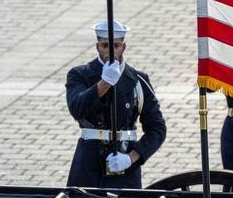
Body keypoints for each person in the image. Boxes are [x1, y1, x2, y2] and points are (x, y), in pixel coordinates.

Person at [65, 21, 166, 189]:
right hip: (88, 161)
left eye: (116, 45)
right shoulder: (79, 74)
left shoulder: (138, 80)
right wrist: (104, 83)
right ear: (97, 47)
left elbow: (157, 128)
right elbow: (77, 109)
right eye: (105, 45)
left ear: (124, 47)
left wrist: (132, 157)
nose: (111, 51)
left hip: (123, 160)